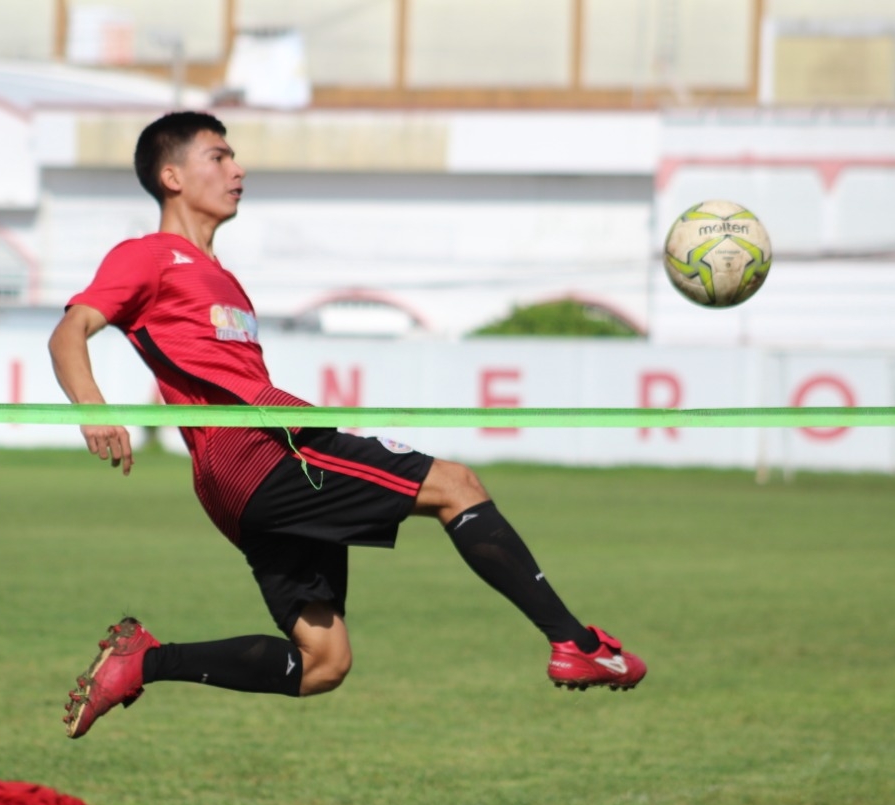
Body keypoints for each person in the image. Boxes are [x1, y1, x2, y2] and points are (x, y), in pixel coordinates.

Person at [48, 112, 646, 739]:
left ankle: (143, 660)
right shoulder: (148, 255)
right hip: (266, 452)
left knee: (323, 664)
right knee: (457, 485)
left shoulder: (221, 277)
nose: (238, 169)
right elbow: (70, 332)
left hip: (233, 481)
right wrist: (93, 408)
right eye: (219, 157)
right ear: (171, 176)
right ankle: (575, 642)